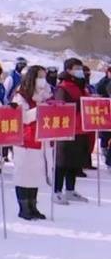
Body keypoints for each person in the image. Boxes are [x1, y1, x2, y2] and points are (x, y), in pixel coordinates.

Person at [11, 66, 53, 220]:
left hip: (40, 139)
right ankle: (23, 207)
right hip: (25, 140)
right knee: (24, 175)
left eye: (44, 76)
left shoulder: (46, 94)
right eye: (39, 76)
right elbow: (24, 117)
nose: (42, 79)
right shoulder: (21, 95)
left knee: (35, 175)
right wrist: (41, 109)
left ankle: (33, 206)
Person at [52, 58, 91, 204]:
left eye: (80, 67)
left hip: (81, 129)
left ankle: (70, 190)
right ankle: (56, 191)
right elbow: (61, 106)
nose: (80, 70)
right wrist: (81, 106)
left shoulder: (82, 86)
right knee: (62, 161)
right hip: (67, 129)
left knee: (74, 162)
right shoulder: (64, 87)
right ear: (68, 70)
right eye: (76, 68)